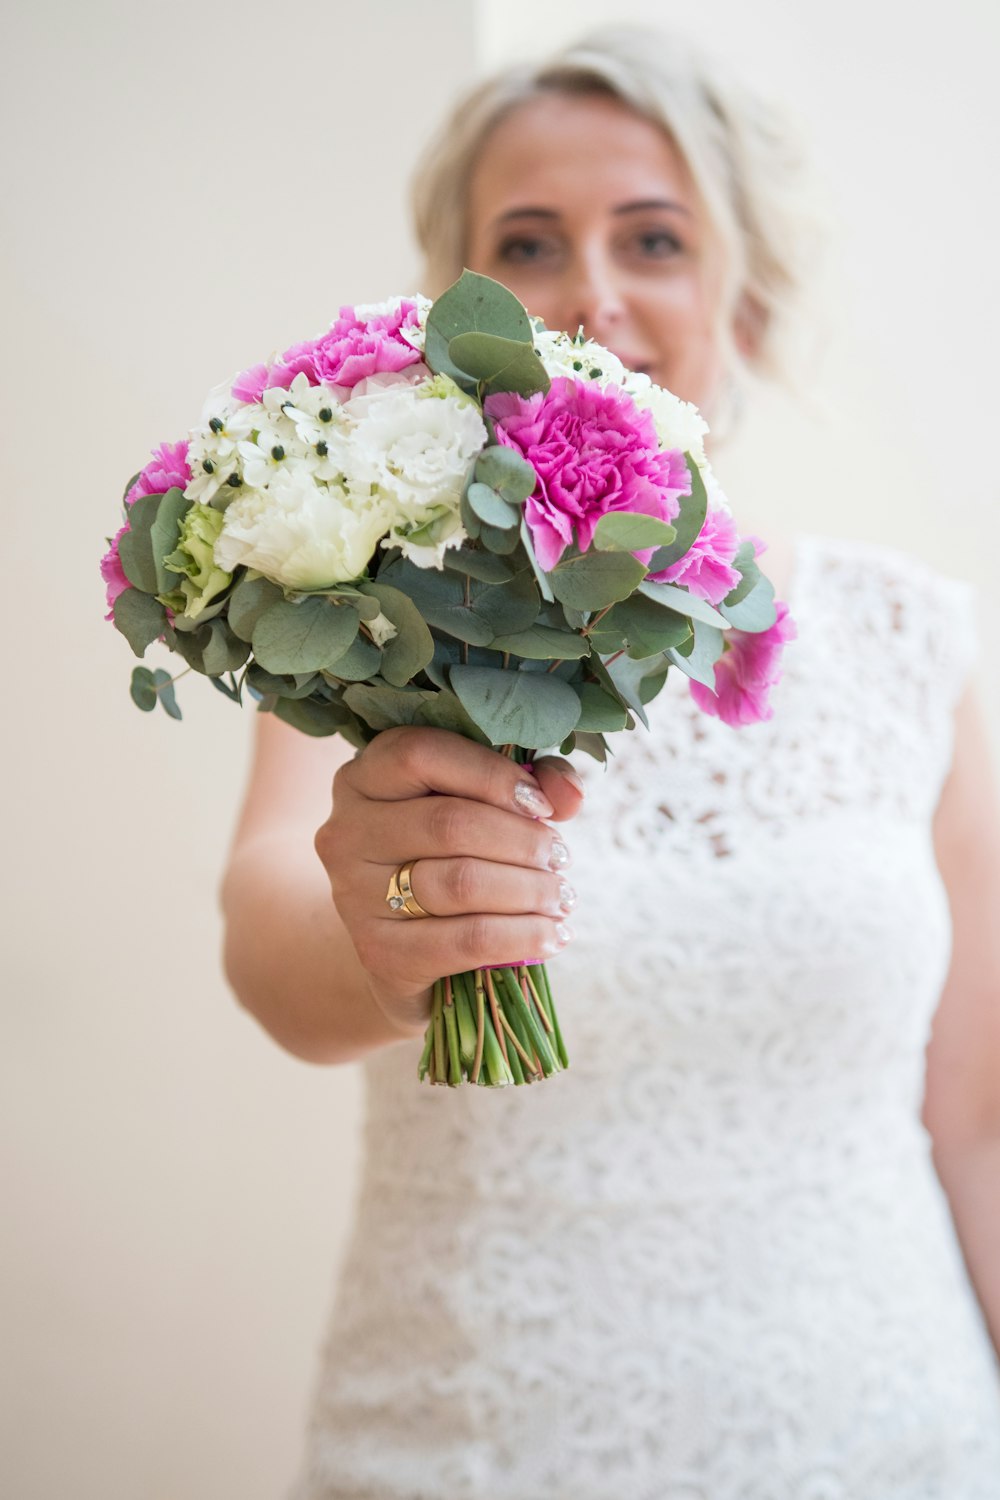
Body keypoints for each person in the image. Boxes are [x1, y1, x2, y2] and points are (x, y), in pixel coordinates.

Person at [220, 26, 1000, 1498]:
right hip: (472, 1446)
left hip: (901, 1441)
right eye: (528, 242)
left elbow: (977, 1121)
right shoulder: (378, 631)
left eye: (655, 237)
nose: (592, 291)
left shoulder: (905, 640)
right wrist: (382, 942)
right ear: (446, 323)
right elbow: (272, 937)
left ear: (741, 299)